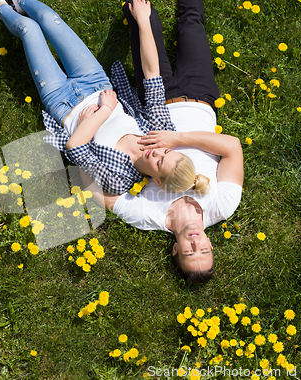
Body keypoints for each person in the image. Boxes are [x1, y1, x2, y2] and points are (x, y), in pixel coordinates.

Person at [88, 0, 244, 283]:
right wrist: (177, 138)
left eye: (189, 252)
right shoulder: (222, 206)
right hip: (200, 96)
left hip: (152, 95)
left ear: (175, 250)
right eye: (204, 250)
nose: (196, 243)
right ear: (211, 245)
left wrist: (85, 150)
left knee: (140, 14)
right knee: (191, 23)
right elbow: (232, 147)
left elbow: (98, 193)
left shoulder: (149, 216)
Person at [0, 0, 207, 195]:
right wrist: (143, 21)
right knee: (48, 17)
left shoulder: (118, 180)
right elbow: (152, 78)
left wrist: (105, 112)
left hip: (62, 104)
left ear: (158, 182)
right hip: (94, 81)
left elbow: (75, 147)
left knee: (29, 29)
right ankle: (20, 2)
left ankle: (0, 7)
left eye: (159, 163)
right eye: (167, 152)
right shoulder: (160, 133)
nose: (156, 152)